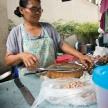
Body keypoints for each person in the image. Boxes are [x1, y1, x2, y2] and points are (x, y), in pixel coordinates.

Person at [5, 0, 93, 76]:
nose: (37, 13)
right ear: (21, 10)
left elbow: (61, 44)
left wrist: (80, 55)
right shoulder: (16, 32)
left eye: (39, 9)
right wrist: (21, 56)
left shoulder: (48, 28)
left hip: (51, 75)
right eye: (33, 9)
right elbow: (8, 60)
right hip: (28, 79)